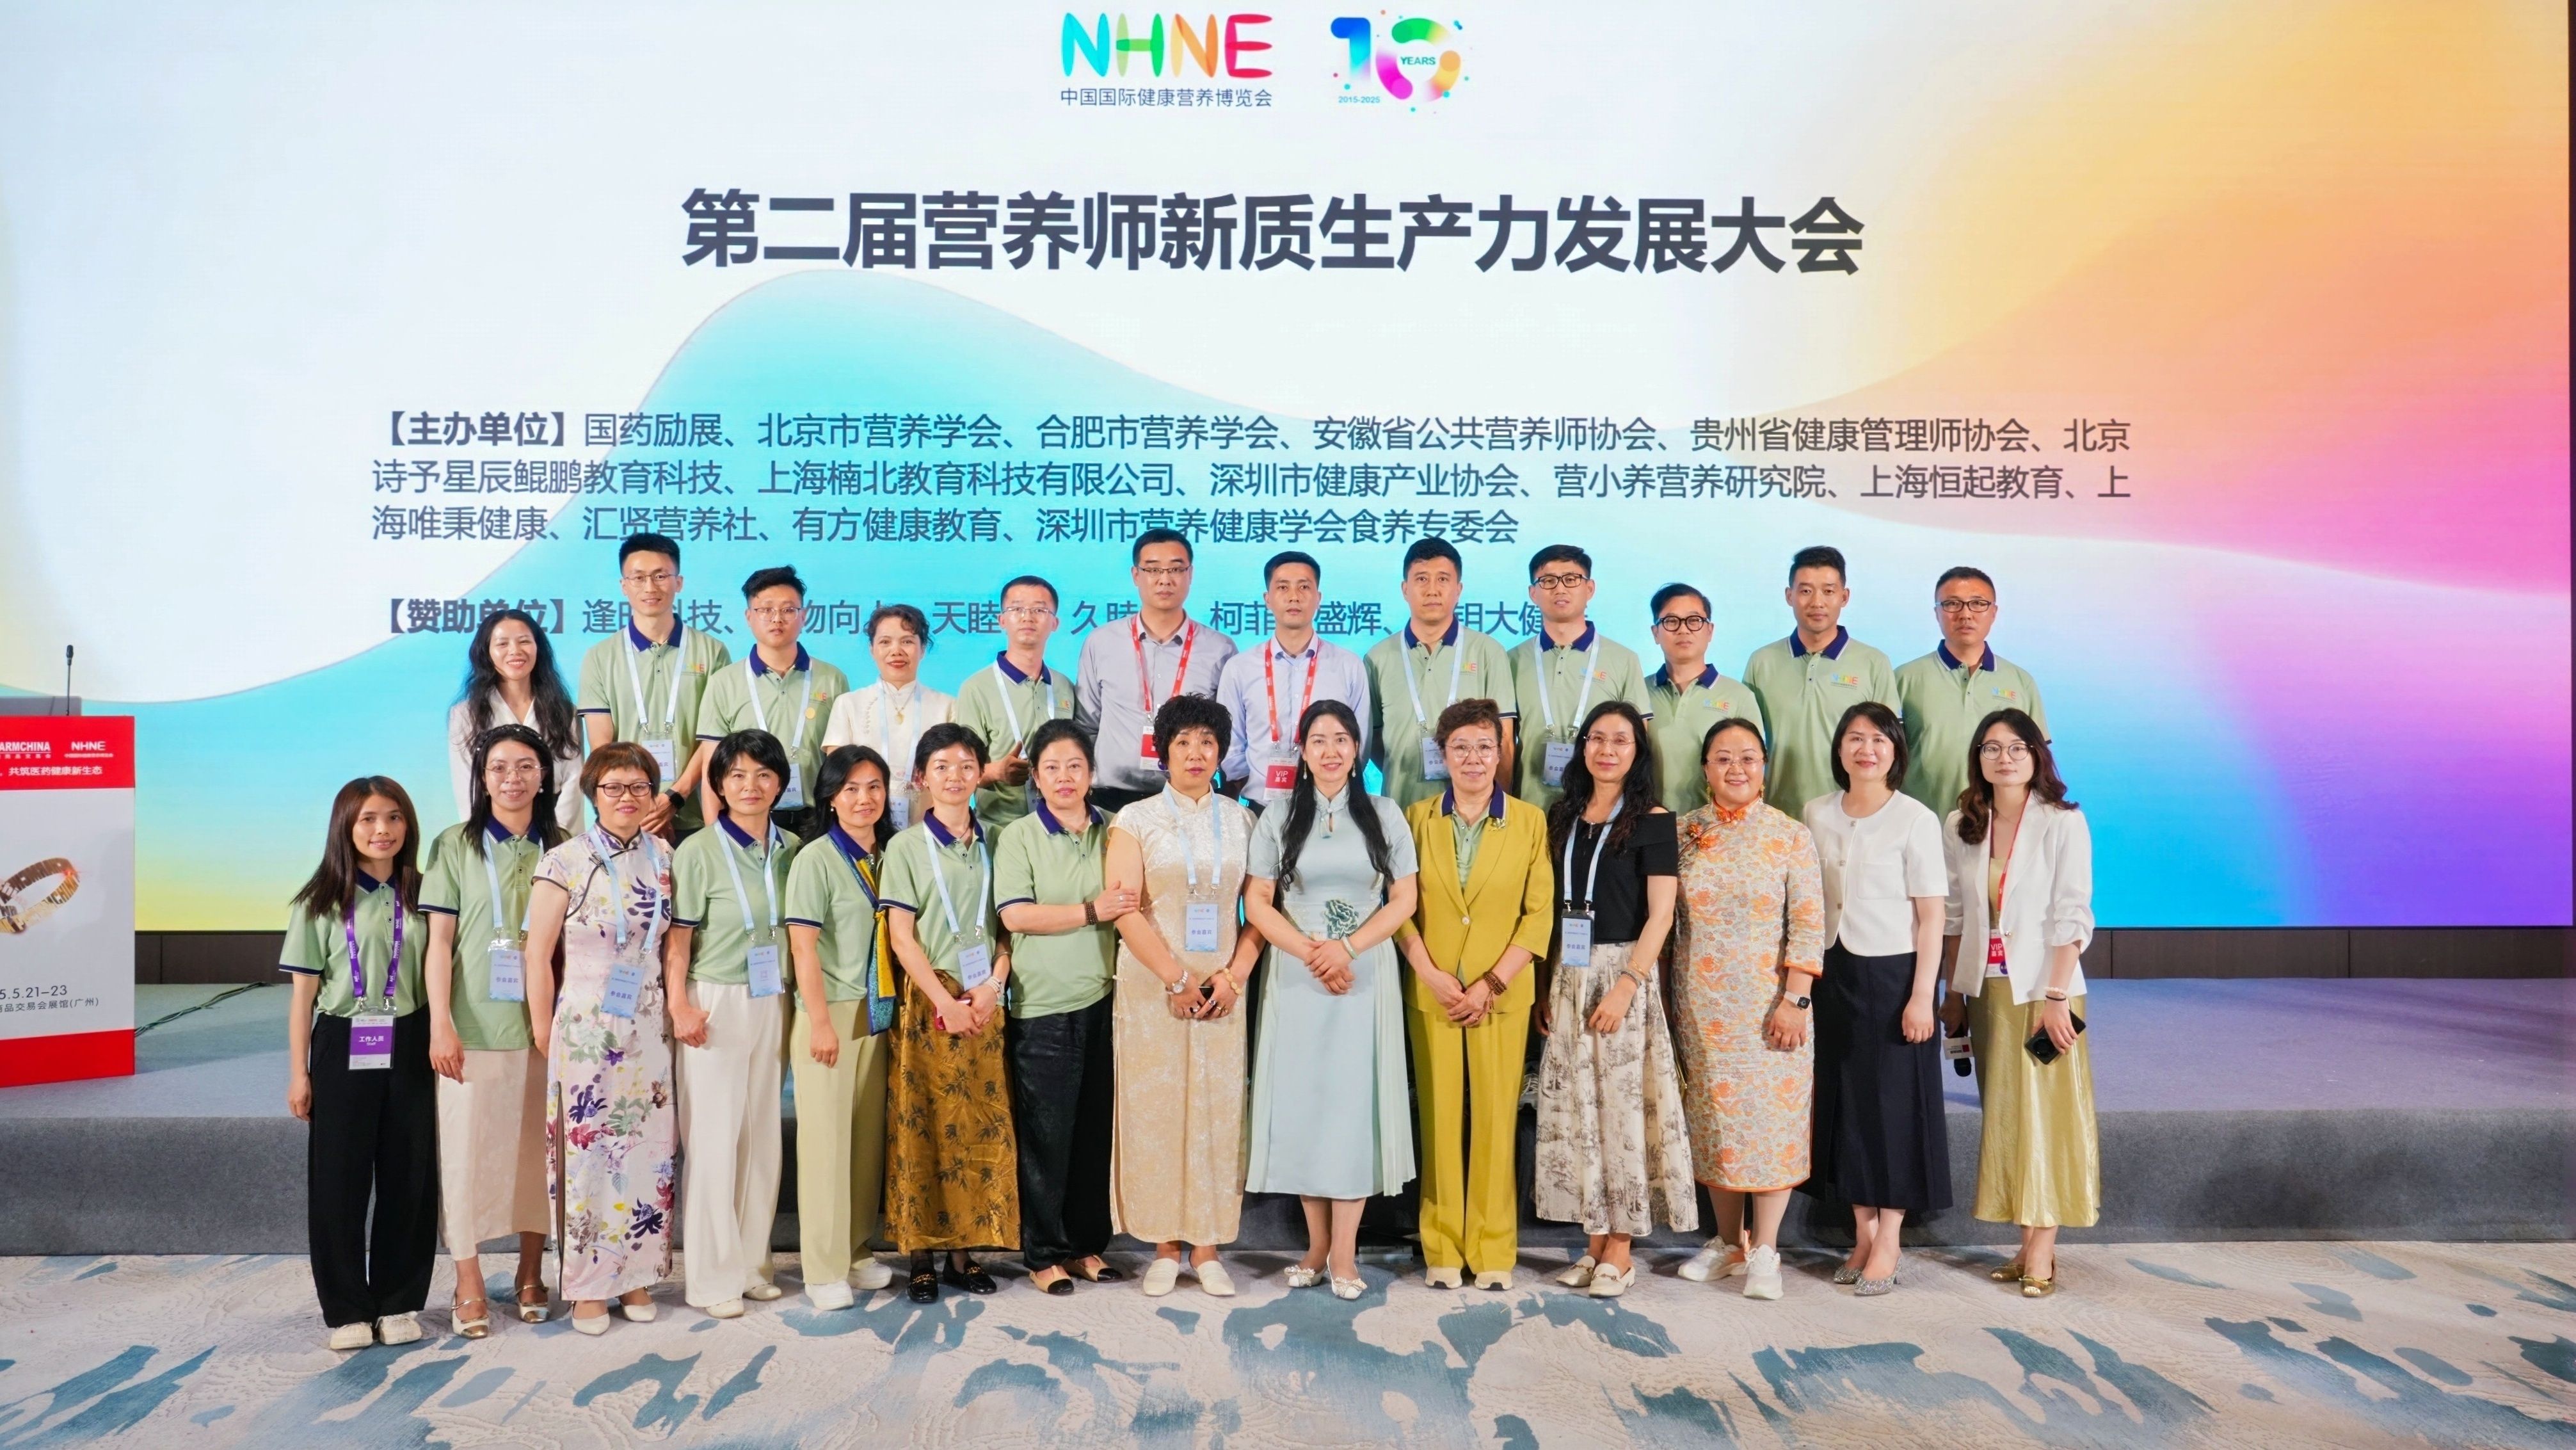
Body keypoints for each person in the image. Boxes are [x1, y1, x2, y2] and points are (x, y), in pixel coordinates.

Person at [1242, 699, 1419, 1301]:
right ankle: (1315, 1247)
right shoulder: (1278, 814)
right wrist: (1310, 953)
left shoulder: (1385, 814)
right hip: (1298, 978)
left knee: (1351, 1111)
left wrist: (1345, 949)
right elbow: (1258, 901)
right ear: (1302, 749)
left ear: (1357, 747)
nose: (1331, 750)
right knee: (1306, 1109)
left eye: (1342, 738)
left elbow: (1403, 900)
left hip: (1363, 976)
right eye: (1318, 739)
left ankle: (1344, 1252)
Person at [1101, 694, 1262, 1296]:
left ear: (1220, 752)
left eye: (1207, 742)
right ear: (1163, 752)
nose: (1196, 753)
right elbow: (1124, 910)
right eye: (1183, 743)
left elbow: (1260, 911)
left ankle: (1209, 1245)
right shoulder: (1135, 819)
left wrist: (1234, 976)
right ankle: (1165, 1247)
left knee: (1217, 1111)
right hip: (1153, 988)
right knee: (1158, 1111)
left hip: (1221, 989)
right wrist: (1174, 978)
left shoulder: (1243, 820)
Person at [1533, 701, 1694, 1297]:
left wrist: (1627, 984)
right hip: (1568, 973)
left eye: (1620, 740)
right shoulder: (1563, 815)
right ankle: (1593, 1239)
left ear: (1637, 752)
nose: (1606, 749)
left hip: (1622, 972)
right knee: (1578, 1110)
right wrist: (1545, 984)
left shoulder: (1653, 819)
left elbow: (1661, 915)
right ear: (1582, 748)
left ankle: (1621, 1249)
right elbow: (1551, 908)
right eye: (1596, 738)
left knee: (1621, 1112)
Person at [1393, 697, 1553, 1291]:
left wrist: (1491, 982)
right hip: (1433, 990)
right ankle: (1440, 1246)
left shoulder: (1530, 821)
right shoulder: (1414, 818)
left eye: (1485, 746)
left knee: (1494, 1120)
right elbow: (1399, 908)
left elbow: (1538, 915)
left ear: (1500, 753)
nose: (1473, 758)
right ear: (1442, 754)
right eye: (1459, 747)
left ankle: (1492, 1250)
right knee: (1438, 1120)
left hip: (1500, 995)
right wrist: (1430, 974)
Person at [1939, 709, 2096, 1298]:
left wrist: (2056, 997)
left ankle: (2043, 1248)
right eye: (1991, 747)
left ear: (2036, 755)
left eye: (2015, 748)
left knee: (2046, 1116)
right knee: (2006, 1114)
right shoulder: (1962, 823)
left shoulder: (2062, 821)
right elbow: (1955, 915)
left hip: (2045, 990)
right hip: (1988, 993)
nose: (2003, 758)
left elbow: (2073, 914)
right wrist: (1953, 993)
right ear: (1977, 758)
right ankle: (2026, 1244)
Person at [522, 743, 678, 1335]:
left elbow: (671, 943)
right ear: (592, 794)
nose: (626, 797)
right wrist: (543, 1027)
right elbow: (538, 955)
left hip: (647, 1026)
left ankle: (634, 1274)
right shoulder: (563, 861)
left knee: (645, 1151)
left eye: (639, 786)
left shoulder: (665, 857)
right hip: (586, 1030)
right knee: (588, 1156)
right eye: (613, 787)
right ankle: (588, 1285)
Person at [1669, 718, 1826, 1302]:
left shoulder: (1789, 834)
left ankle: (1765, 1248)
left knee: (1769, 1124)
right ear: (1705, 768)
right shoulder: (1683, 831)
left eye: (1748, 757)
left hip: (1770, 1007)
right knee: (1714, 1121)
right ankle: (1727, 1242)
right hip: (1700, 1006)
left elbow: (1808, 922)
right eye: (1723, 757)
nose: (1736, 768)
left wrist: (1795, 998)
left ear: (1764, 766)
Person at [1801, 702, 1951, 1294]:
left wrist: (1923, 997)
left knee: (1893, 1106)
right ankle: (1861, 1233)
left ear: (1895, 751)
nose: (1866, 749)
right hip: (1831, 969)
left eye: (1878, 740)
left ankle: (1889, 1237)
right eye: (1855, 738)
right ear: (1839, 748)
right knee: (1844, 1103)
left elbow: (1932, 917)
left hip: (1894, 976)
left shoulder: (1915, 818)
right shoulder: (1815, 811)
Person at [420, 725, 565, 1337]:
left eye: (526, 765)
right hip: (472, 1025)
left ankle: (532, 1271)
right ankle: (468, 1278)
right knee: (465, 1156)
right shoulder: (454, 844)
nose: (513, 778)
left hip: (546, 1027)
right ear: (482, 777)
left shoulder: (563, 846)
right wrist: (441, 1023)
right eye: (499, 766)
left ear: (544, 776)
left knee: (539, 1155)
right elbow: (439, 944)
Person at [282, 777, 435, 1351]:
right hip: (343, 1040)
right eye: (368, 818)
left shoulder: (426, 891)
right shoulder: (318, 902)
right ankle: (346, 1308)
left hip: (411, 1038)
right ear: (345, 827)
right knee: (339, 1180)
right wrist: (299, 1073)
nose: (382, 830)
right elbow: (302, 999)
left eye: (393, 817)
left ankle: (398, 1301)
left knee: (408, 1177)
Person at [877, 722, 1020, 1301]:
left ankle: (965, 1253)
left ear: (981, 773)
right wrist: (944, 1002)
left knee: (978, 1130)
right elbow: (901, 936)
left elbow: (1008, 928)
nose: (955, 776)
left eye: (966, 765)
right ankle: (921, 1255)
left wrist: (991, 987)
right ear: (920, 778)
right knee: (923, 1126)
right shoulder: (906, 847)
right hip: (929, 1002)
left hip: (983, 1001)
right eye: (941, 766)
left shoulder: (1000, 840)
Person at [995, 720, 1135, 1294]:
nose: (1064, 777)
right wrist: (1091, 910)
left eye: (1074, 766)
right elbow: (1016, 915)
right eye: (1051, 767)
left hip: (1106, 1000)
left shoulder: (1115, 830)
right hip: (1043, 1005)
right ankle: (1044, 1252)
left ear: (1092, 773)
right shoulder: (1019, 835)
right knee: (1046, 1137)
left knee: (1092, 1134)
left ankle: (1085, 1246)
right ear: (1035, 776)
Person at [665, 730, 802, 1317]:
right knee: (715, 1139)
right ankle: (711, 1279)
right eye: (738, 775)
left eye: (764, 775)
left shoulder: (793, 848)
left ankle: (752, 1265)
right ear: (718, 785)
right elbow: (678, 940)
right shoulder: (697, 850)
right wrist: (679, 1005)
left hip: (773, 994)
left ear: (781, 784)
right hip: (714, 999)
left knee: (761, 1135)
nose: (751, 786)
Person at [781, 745, 903, 1308]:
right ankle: (822, 1266)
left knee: (863, 1141)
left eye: (874, 786)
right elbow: (803, 948)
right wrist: (819, 1023)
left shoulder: (890, 855)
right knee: (825, 1144)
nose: (864, 798)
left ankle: (855, 1252)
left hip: (876, 1010)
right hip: (828, 1011)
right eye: (850, 788)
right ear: (830, 797)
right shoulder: (816, 859)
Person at [575, 532, 732, 839]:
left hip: (697, 813)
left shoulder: (712, 652)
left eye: (661, 576)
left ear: (679, 582)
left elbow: (716, 738)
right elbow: (603, 747)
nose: (650, 587)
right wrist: (642, 800)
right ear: (624, 586)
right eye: (638, 577)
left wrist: (676, 795)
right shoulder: (600, 657)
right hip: (629, 815)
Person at [1078, 529, 1238, 813]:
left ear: (1190, 574)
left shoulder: (1220, 649)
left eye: (1176, 569)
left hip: (1188, 800)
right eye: (1153, 569)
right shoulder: (1101, 642)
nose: (1165, 579)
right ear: (1136, 575)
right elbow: (1086, 726)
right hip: (1110, 800)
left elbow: (1226, 732)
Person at [692, 567, 849, 839]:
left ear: (803, 617)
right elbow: (712, 768)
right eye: (766, 610)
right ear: (749, 617)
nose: (777, 619)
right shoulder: (723, 682)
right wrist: (715, 838)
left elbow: (841, 763)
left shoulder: (832, 679)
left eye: (788, 610)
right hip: (747, 820)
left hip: (817, 819)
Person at [1364, 538, 1518, 811]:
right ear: (1405, 589)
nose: (1432, 590)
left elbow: (1504, 742)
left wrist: (1499, 810)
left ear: (1458, 590)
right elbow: (1374, 741)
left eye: (1443, 579)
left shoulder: (1488, 652)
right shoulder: (1378, 658)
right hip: (1401, 808)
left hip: (1473, 812)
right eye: (1422, 579)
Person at [1743, 546, 1897, 816]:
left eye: (1828, 591)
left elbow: (1888, 748)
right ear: (1789, 596)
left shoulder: (1873, 663)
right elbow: (1746, 745)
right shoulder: (1762, 662)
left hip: (1851, 813)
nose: (1817, 602)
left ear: (1844, 597)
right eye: (1805, 591)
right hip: (1779, 814)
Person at [1215, 551, 1372, 808]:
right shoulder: (1240, 668)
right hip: (1262, 809)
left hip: (1329, 808)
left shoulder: (1348, 666)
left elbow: (1360, 744)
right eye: (1283, 587)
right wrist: (1255, 785)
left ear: (1319, 598)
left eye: (1304, 587)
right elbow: (1230, 744)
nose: (1294, 596)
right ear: (1267, 599)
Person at [1897, 568, 2051, 819]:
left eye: (1978, 603)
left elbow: (2037, 763)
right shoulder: (1903, 678)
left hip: (1999, 827)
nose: (1965, 614)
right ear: (1937, 612)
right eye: (1952, 604)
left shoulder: (2021, 682)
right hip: (1921, 825)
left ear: (1994, 612)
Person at [1508, 545, 1654, 809]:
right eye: (1548, 581)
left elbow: (1637, 742)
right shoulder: (1513, 660)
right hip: (1530, 807)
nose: (1560, 589)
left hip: (1601, 812)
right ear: (1533, 593)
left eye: (1571, 579)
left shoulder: (1623, 659)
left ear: (1590, 589)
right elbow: (1503, 741)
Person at [952, 575, 1078, 828]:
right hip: (999, 826)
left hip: (1060, 823)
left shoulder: (1064, 686)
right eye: (1017, 609)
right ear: (1002, 620)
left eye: (1039, 610)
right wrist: (998, 771)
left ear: (1055, 623)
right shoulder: (976, 688)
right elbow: (960, 770)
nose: (1027, 617)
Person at [447, 608, 585, 834]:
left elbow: (574, 779)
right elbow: (467, 787)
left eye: (524, 642)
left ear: (539, 648)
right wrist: (490, 839)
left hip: (556, 830)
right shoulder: (465, 714)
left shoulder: (564, 711)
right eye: (502, 644)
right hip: (493, 832)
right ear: (486, 652)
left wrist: (556, 836)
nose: (515, 651)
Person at [822, 604, 954, 832]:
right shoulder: (848, 704)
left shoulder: (947, 706)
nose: (896, 651)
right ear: (872, 649)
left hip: (928, 826)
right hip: (864, 826)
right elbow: (838, 775)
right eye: (885, 642)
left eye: (907, 641)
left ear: (923, 649)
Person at [1642, 584, 1766, 816]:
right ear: (1655, 633)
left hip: (1717, 827)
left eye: (1694, 620)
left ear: (1709, 631)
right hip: (1648, 824)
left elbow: (1753, 773)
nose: (1683, 630)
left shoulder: (1738, 697)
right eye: (1671, 621)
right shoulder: (1638, 692)